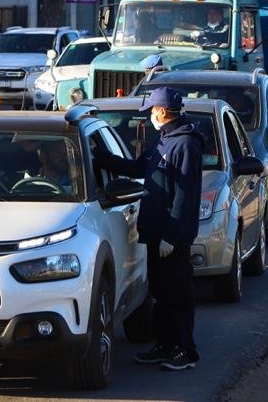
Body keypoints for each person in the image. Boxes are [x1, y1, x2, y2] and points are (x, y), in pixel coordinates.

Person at [95, 87, 204, 371]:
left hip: (172, 237)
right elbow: (137, 169)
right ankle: (165, 345)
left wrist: (171, 235)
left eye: (153, 111)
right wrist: (101, 157)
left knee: (177, 295)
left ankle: (184, 351)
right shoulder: (164, 141)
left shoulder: (186, 145)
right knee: (161, 293)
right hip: (156, 234)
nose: (150, 116)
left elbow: (185, 196)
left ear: (163, 112)